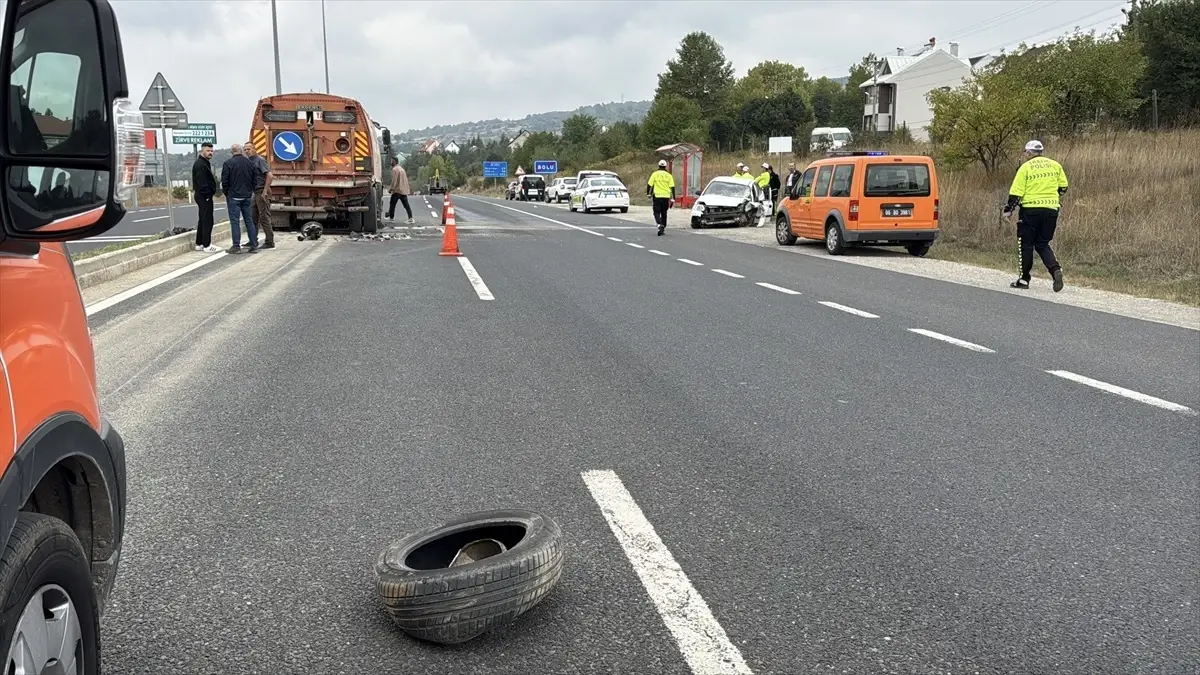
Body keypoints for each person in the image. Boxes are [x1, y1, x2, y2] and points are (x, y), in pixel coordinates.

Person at [1003, 139, 1069, 292]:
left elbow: (1016, 192)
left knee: (1026, 245)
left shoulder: (1025, 167)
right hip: (1051, 209)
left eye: (1025, 152)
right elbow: (1063, 187)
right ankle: (1055, 270)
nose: (1025, 154)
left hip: (1030, 210)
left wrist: (1009, 210)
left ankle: (1024, 279)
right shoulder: (1055, 165)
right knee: (1042, 244)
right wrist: (1052, 197)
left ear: (1029, 153)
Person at [220, 143, 258, 254]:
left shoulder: (228, 164)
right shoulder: (250, 163)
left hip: (234, 196)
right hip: (247, 196)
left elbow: (225, 181)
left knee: (235, 222)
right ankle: (254, 245)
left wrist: (227, 193)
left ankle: (236, 246)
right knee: (249, 220)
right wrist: (250, 190)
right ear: (241, 151)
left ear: (232, 152)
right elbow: (254, 179)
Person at [244, 143, 275, 249]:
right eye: (245, 149)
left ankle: (270, 242)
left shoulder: (260, 160)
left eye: (249, 149)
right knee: (253, 217)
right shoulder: (248, 162)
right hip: (254, 192)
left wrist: (265, 191)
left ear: (254, 149)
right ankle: (253, 240)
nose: (247, 151)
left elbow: (269, 175)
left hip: (262, 191)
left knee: (264, 217)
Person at [191, 142, 220, 252]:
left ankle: (199, 243)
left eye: (212, 151)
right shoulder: (200, 164)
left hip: (203, 195)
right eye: (208, 151)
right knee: (207, 220)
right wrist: (208, 195)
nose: (210, 153)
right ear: (202, 151)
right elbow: (202, 182)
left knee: (203, 219)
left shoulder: (204, 163)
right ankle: (207, 245)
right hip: (203, 196)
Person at [646, 159, 675, 236]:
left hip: (657, 196)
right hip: (666, 196)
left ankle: (659, 224)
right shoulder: (669, 176)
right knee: (664, 212)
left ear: (659, 166)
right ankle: (663, 226)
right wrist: (673, 198)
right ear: (665, 166)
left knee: (656, 212)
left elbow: (649, 184)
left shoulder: (654, 174)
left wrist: (648, 193)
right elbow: (672, 187)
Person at [387, 157, 414, 224]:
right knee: (406, 205)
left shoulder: (395, 169)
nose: (391, 163)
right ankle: (410, 218)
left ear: (395, 162)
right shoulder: (402, 169)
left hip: (397, 190)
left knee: (392, 204)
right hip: (403, 190)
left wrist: (391, 189)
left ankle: (391, 218)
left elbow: (394, 180)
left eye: (392, 161)